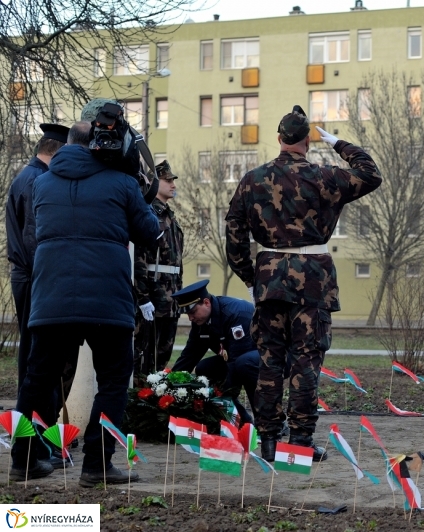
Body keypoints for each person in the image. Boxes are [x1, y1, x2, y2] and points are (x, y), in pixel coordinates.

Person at [226, 105, 382, 462]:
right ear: (307, 140)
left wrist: (252, 277)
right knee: (306, 363)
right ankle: (299, 443)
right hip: (313, 279)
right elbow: (370, 174)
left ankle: (268, 441)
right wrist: (339, 143)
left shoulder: (253, 179)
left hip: (269, 279)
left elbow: (234, 234)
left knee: (269, 363)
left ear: (280, 139)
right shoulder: (325, 176)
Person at [10, 118, 160, 484]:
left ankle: (23, 461)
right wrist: (138, 183)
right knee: (112, 381)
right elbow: (151, 231)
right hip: (105, 302)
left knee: (36, 380)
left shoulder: (41, 183)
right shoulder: (122, 183)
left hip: (50, 298)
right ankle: (97, 463)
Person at [5, 123, 70, 395]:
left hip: (29, 276)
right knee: (36, 352)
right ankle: (30, 420)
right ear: (57, 152)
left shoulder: (30, 176)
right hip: (34, 277)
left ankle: (30, 417)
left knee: (35, 351)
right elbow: (35, 239)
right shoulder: (36, 181)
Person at [170, 280, 261, 425]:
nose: (190, 318)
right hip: (239, 359)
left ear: (206, 302)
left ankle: (269, 422)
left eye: (193, 312)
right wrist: (170, 382)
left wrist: (225, 392)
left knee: (244, 364)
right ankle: (241, 420)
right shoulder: (201, 321)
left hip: (268, 359)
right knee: (204, 368)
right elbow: (190, 355)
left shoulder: (235, 313)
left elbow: (236, 362)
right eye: (188, 314)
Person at [133, 160, 183, 378]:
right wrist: (142, 297)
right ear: (154, 182)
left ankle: (156, 403)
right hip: (154, 297)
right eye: (167, 180)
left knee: (162, 360)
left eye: (173, 180)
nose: (173, 185)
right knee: (146, 357)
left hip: (170, 300)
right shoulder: (149, 214)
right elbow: (140, 259)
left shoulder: (169, 216)